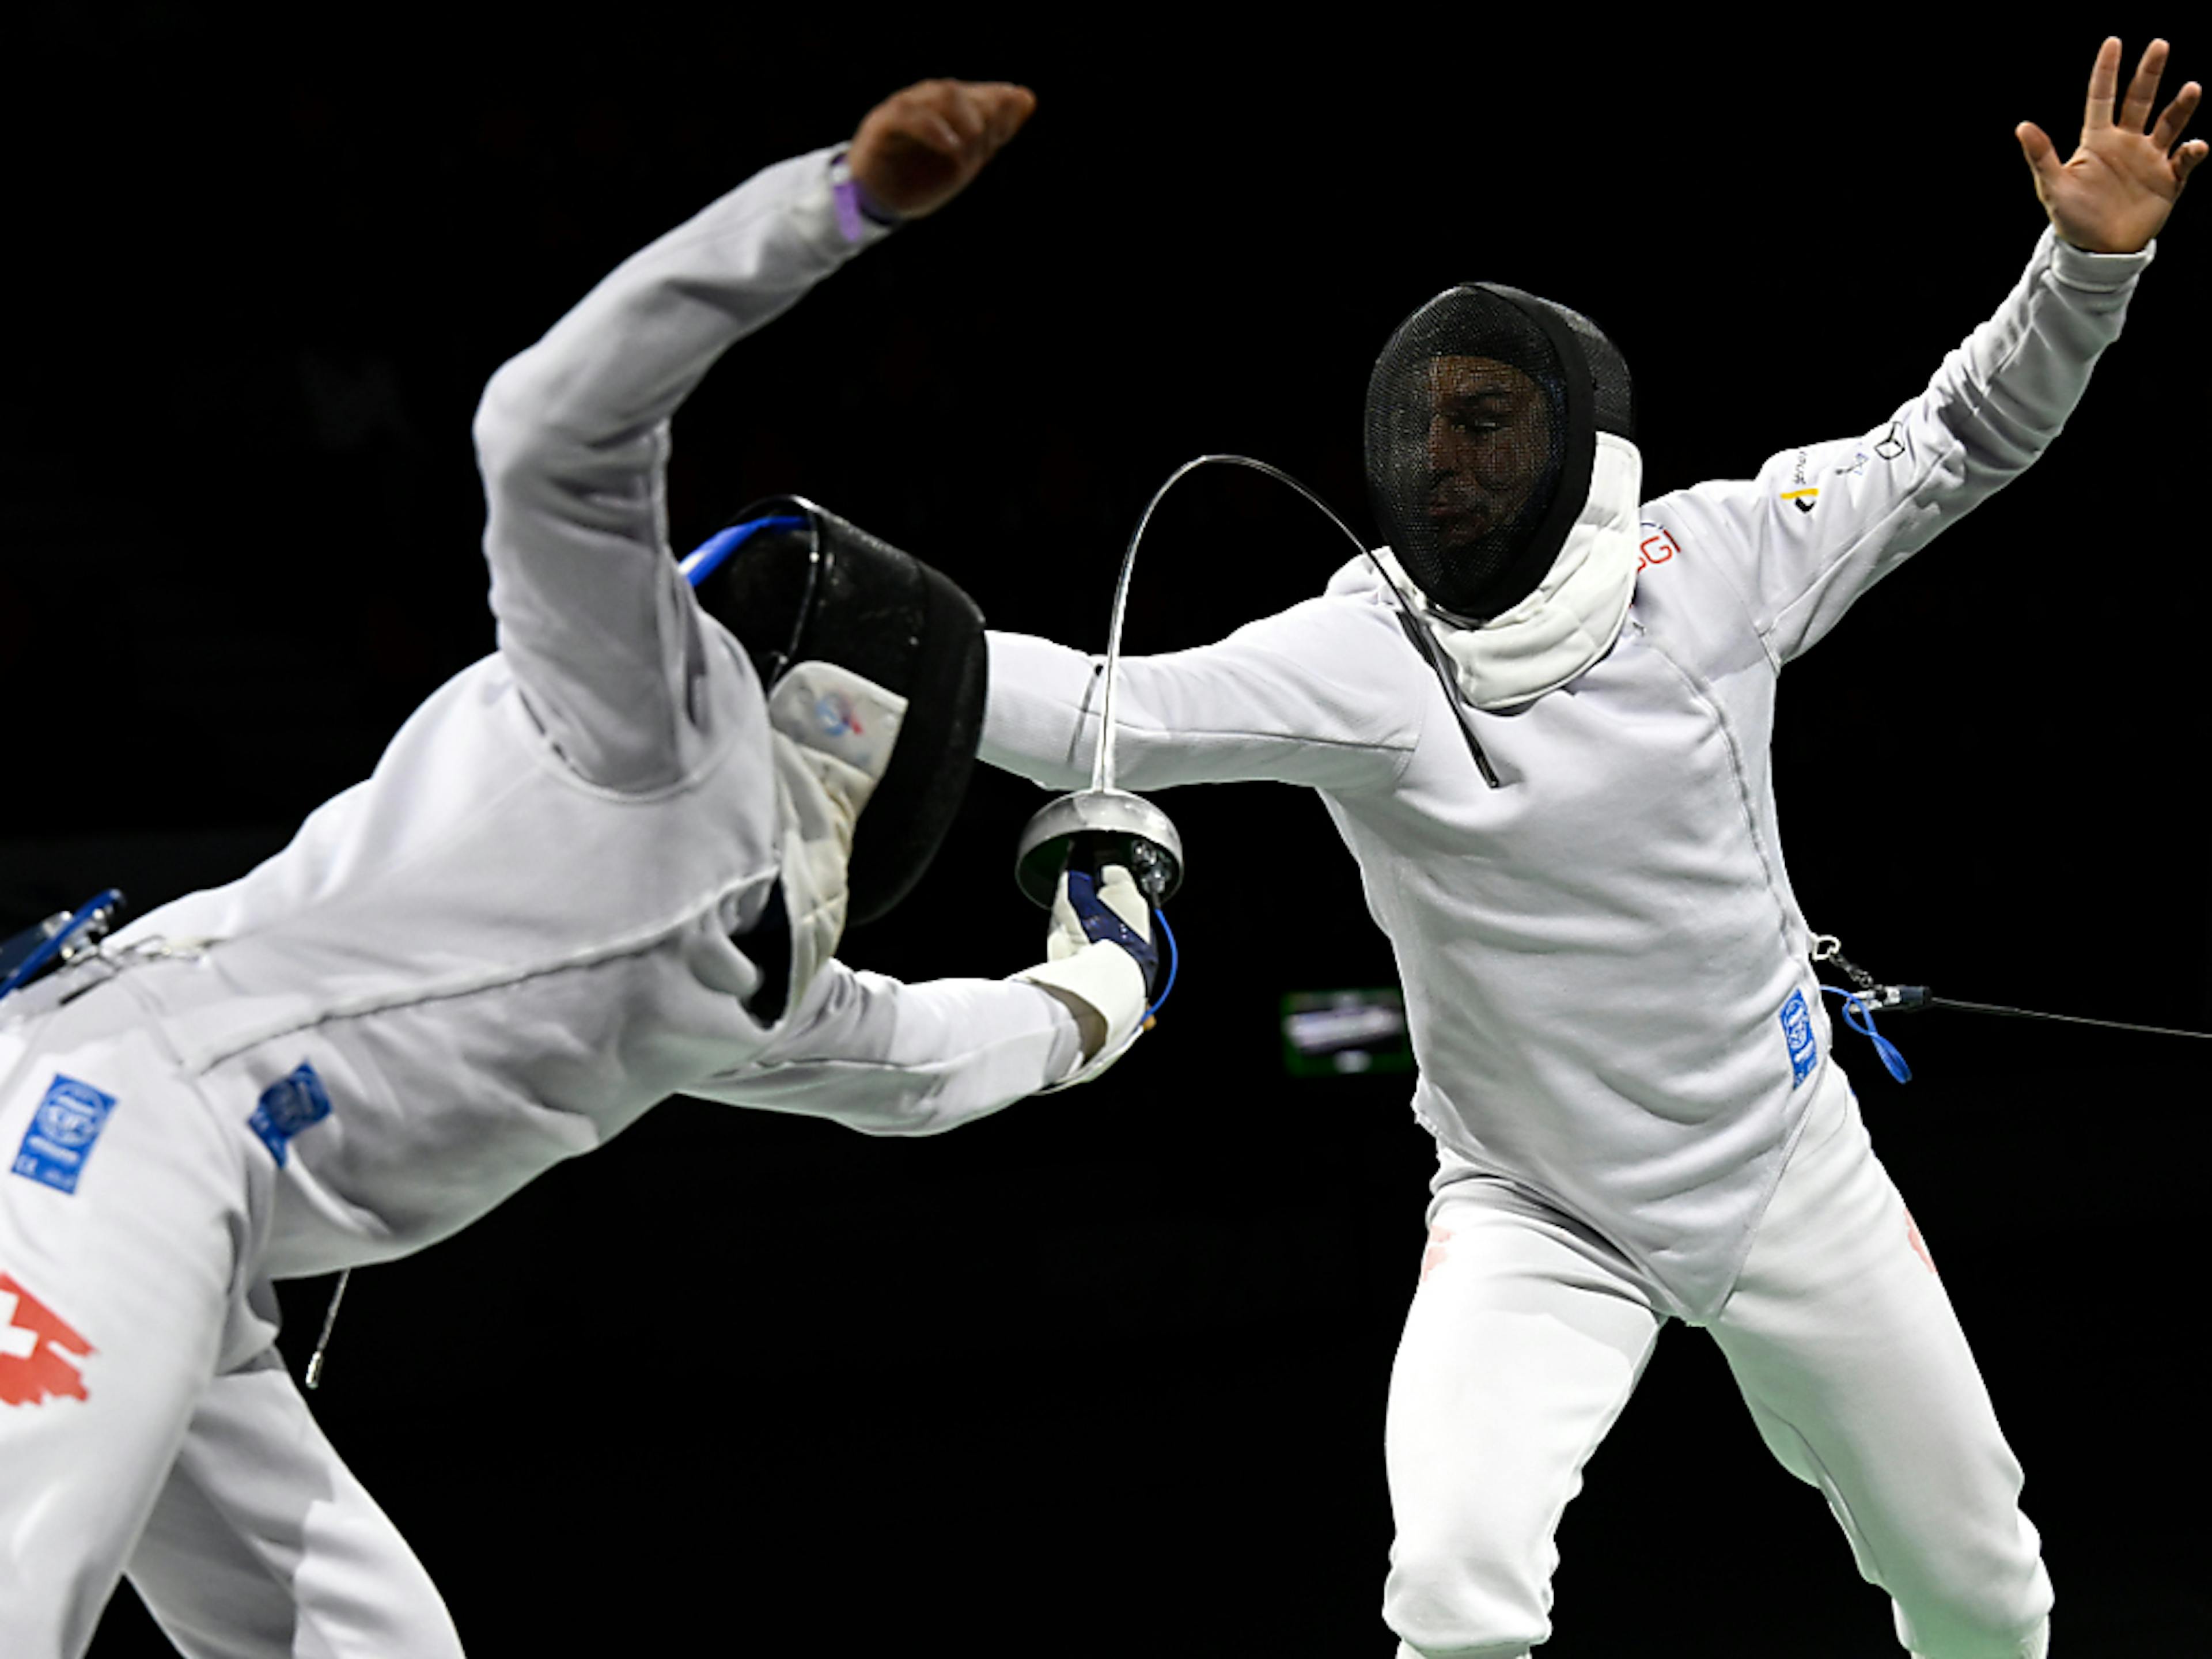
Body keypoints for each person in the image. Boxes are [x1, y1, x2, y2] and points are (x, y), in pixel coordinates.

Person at [978, 37, 2200, 1659]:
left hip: (1786, 1171)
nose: (1448, 461)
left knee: (1985, 1592)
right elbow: (1097, 716)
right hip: (1532, 1207)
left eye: (1487, 423)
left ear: (1581, 449)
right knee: (1457, 1588)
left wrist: (2086, 268)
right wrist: (867, 643)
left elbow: (1956, 437)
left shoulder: (1721, 563)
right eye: (1425, 426)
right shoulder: (1368, 656)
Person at [0, 76, 1162, 1658]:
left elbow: (933, 1061)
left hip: (200, 1222)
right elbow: (549, 425)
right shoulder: (648, 716)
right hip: (114, 1127)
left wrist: (1109, 974)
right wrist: (835, 205)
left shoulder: (751, 986)